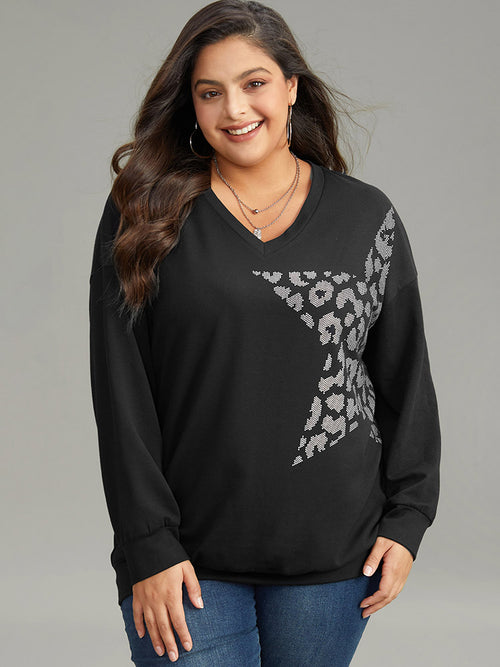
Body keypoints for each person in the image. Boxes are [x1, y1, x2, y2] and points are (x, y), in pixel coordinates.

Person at [89, 1, 441, 665]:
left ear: (291, 88)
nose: (235, 109)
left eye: (254, 83)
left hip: (334, 558)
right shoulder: (145, 211)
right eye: (210, 92)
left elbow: (406, 380)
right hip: (184, 558)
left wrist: (409, 518)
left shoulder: (367, 217)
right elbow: (120, 391)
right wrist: (148, 543)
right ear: (191, 106)